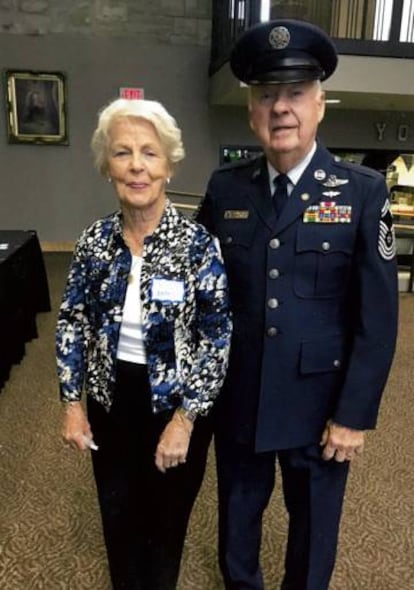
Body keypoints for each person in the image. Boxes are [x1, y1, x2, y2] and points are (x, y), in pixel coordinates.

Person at [197, 18, 398, 590]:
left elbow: (378, 317)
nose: (281, 108)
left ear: (320, 104)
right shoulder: (226, 188)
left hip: (321, 406)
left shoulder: (361, 191)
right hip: (241, 396)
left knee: (312, 531)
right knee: (238, 522)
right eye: (267, 95)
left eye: (295, 94)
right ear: (251, 109)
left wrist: (354, 415)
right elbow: (202, 294)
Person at [56, 97, 232, 590]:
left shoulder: (198, 245)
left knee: (164, 524)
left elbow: (217, 337)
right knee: (118, 518)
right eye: (123, 153)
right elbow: (72, 321)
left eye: (149, 153)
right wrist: (73, 403)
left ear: (169, 165)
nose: (136, 165)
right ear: (106, 165)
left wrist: (185, 420)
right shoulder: (94, 242)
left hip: (175, 405)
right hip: (112, 400)